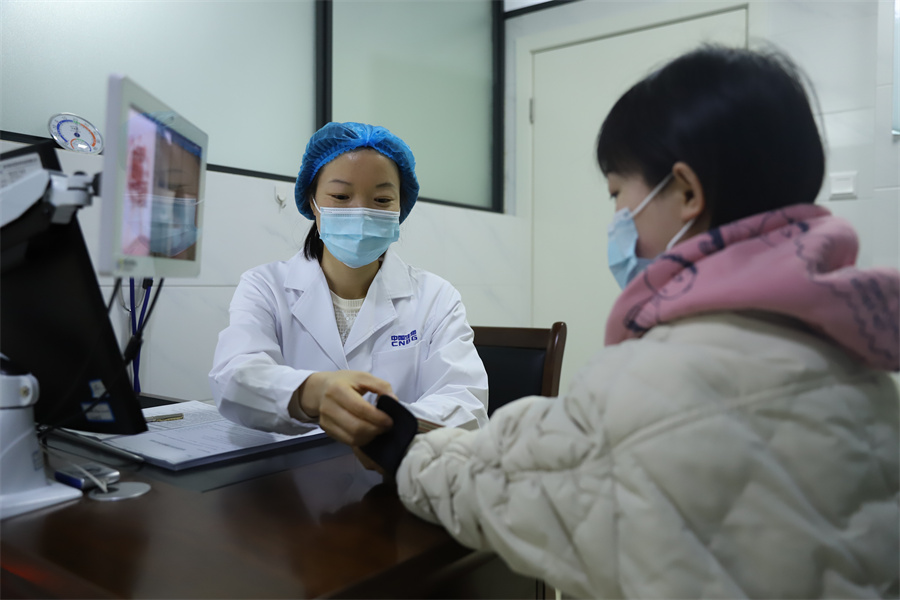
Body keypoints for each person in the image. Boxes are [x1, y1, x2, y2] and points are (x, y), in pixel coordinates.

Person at [388, 46, 900, 598]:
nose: (616, 219)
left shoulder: (653, 380)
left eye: (617, 193)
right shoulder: (861, 367)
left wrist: (404, 453)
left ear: (686, 193)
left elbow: (505, 489)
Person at [209, 122, 489, 448]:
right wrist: (312, 392)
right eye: (341, 196)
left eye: (382, 199)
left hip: (396, 468)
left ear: (401, 208)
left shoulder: (436, 297)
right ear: (312, 201)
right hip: (289, 472)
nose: (362, 212)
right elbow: (235, 378)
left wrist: (383, 426)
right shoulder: (265, 286)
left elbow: (466, 403)